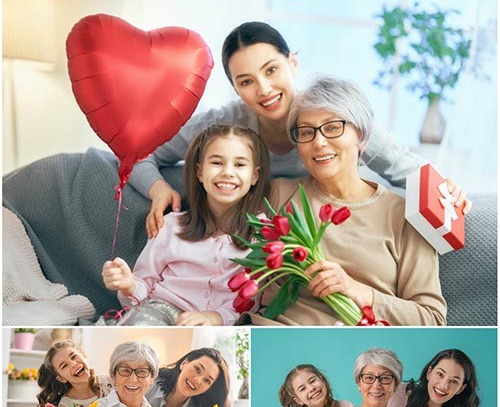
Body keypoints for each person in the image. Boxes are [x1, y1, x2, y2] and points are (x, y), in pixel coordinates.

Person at [131, 20, 469, 241]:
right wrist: (158, 188)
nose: (263, 89)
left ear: (292, 63)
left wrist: (447, 190)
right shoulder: (222, 125)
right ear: (235, 88)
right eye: (246, 81)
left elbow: (407, 169)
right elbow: (137, 153)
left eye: (272, 70)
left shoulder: (334, 116)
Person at [265, 79, 446, 328]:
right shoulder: (278, 194)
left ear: (361, 136)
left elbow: (433, 320)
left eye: (332, 127)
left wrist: (359, 291)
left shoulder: (405, 216)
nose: (318, 142)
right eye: (306, 132)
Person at [102, 125, 271, 327]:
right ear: (200, 172)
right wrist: (128, 285)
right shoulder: (172, 226)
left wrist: (216, 317)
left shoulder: (264, 236)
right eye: (217, 162)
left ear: (255, 176)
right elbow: (143, 285)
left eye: (240, 165)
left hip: (223, 323)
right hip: (161, 310)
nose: (227, 172)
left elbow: (255, 298)